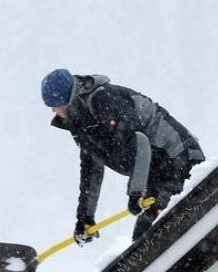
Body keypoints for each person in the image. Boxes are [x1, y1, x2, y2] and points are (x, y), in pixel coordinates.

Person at [42, 68, 205, 242]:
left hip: (179, 160)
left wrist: (136, 191)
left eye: (55, 105)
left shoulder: (104, 100)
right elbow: (91, 170)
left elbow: (140, 142)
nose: (53, 111)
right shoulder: (82, 124)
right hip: (158, 173)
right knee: (146, 235)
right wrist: (85, 217)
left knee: (153, 232)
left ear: (70, 101)